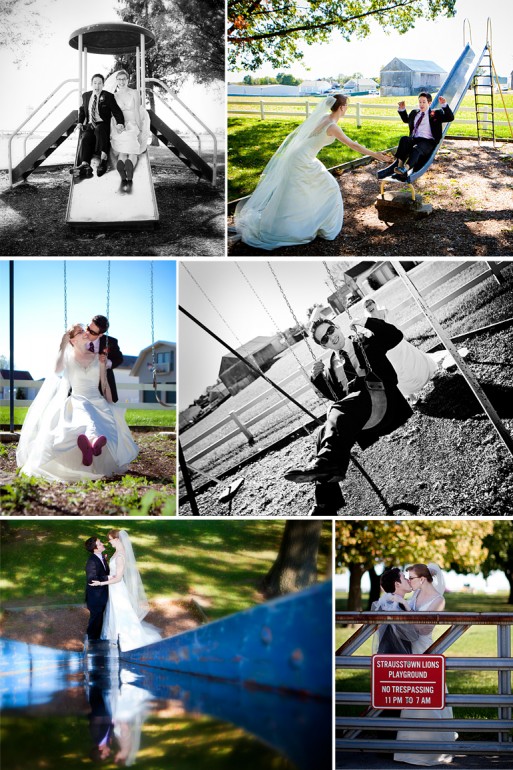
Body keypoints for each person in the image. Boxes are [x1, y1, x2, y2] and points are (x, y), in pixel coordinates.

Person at [284, 312, 413, 514]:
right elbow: (339, 399)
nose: (330, 337)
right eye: (324, 339)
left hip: (385, 402)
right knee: (322, 433)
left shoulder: (364, 341)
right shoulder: (331, 368)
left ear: (336, 326)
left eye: (330, 330)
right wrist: (317, 378)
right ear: (324, 346)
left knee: (333, 412)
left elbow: (395, 336)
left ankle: (328, 466)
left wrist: (367, 322)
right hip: (365, 418)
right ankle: (325, 505)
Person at [234, 94, 392, 250]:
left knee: (297, 191)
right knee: (328, 188)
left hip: (300, 157)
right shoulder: (332, 126)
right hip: (302, 160)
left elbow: (308, 137)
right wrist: (376, 155)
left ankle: (299, 223)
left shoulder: (324, 117)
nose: (347, 109)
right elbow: (353, 145)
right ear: (342, 107)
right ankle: (308, 226)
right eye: (347, 107)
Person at [16, 324, 138, 482]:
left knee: (98, 417)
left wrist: (109, 400)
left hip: (97, 400)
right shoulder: (67, 357)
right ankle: (92, 444)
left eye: (84, 330)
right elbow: (57, 370)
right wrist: (62, 345)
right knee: (85, 412)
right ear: (72, 340)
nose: (86, 333)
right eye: (81, 332)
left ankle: (91, 446)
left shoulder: (98, 357)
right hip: (78, 398)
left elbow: (104, 382)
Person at [395, 563, 457, 766]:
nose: (408, 581)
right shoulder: (414, 596)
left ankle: (431, 752)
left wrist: (404, 610)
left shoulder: (438, 600)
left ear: (422, 579)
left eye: (411, 578)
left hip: (426, 648)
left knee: (429, 693)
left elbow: (424, 628)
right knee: (412, 694)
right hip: (410, 649)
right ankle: (408, 751)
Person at [90, 529, 162, 652]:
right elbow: (114, 573)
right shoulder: (117, 552)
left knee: (119, 612)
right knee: (113, 612)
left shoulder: (120, 556)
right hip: (113, 589)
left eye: (110, 539)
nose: (109, 542)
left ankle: (123, 639)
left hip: (117, 589)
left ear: (117, 539)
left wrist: (101, 582)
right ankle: (113, 636)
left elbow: (118, 578)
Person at [363, 296, 438, 402]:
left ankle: (427, 376)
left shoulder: (385, 312)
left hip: (400, 343)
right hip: (390, 351)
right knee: (400, 372)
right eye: (366, 306)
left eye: (370, 303)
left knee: (414, 361)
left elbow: (396, 326)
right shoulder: (369, 323)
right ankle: (411, 396)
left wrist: (403, 339)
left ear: (374, 303)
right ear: (365, 310)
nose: (369, 306)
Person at [378, 92, 454, 182]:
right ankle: (400, 167)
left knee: (416, 149)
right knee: (404, 139)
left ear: (429, 103)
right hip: (415, 139)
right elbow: (406, 120)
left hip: (428, 141)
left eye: (424, 102)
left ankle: (406, 168)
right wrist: (402, 110)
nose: (421, 104)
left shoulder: (436, 113)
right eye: (420, 102)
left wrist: (444, 105)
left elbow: (450, 118)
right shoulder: (415, 113)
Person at [71, 74, 125, 178]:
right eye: (95, 83)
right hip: (90, 124)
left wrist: (120, 123)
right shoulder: (86, 96)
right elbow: (82, 111)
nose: (97, 85)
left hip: (102, 124)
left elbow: (117, 111)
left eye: (100, 83)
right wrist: (80, 122)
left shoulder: (108, 96)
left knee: (99, 130)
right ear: (92, 84)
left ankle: (103, 159)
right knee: (85, 137)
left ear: (103, 84)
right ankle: (84, 165)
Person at [110, 70, 151, 190]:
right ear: (116, 81)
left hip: (131, 124)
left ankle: (122, 169)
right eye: (119, 79)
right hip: (122, 126)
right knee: (133, 151)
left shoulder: (134, 92)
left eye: (124, 79)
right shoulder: (114, 96)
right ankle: (129, 168)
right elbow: (115, 114)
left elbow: (137, 111)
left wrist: (139, 128)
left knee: (123, 151)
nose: (122, 81)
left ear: (128, 80)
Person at [372, 568, 419, 654]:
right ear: (397, 584)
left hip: (387, 654)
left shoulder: (387, 602)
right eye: (404, 578)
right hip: (395, 657)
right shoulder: (394, 605)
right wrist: (405, 604)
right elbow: (413, 635)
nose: (408, 580)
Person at [85, 314, 123, 403]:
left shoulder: (110, 342)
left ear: (101, 334)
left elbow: (119, 358)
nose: (87, 333)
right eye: (88, 328)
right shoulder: (79, 336)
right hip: (82, 382)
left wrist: (107, 362)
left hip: (102, 384)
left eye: (92, 332)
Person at [85, 536, 110, 643]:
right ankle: (91, 641)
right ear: (95, 549)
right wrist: (107, 578)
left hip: (102, 594)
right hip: (96, 597)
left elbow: (103, 570)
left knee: (99, 619)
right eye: (100, 544)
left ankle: (97, 637)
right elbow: (91, 580)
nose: (102, 544)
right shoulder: (91, 562)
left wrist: (105, 560)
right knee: (95, 619)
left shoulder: (101, 557)